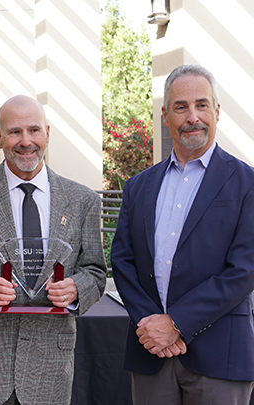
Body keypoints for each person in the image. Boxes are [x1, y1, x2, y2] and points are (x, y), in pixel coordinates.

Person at [0, 95, 107, 405]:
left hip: (50, 363)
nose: (26, 141)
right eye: (14, 132)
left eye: (34, 130)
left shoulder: (82, 201)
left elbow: (95, 271)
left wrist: (75, 288)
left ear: (47, 134)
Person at [111, 64, 254, 404]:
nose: (193, 116)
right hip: (151, 354)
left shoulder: (247, 184)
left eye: (202, 105)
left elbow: (245, 270)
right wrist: (153, 326)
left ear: (217, 111)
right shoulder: (138, 186)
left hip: (220, 355)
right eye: (181, 107)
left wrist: (175, 323)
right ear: (165, 115)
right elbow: (122, 260)